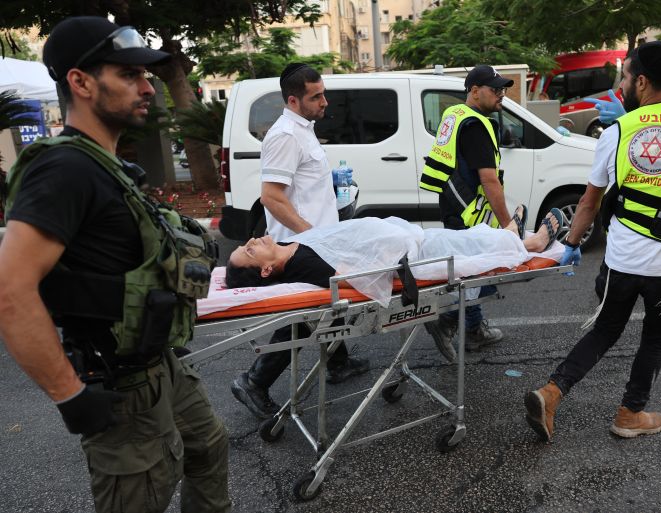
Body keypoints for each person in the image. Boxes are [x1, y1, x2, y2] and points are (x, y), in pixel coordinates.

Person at [0, 17, 230, 513]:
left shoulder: (110, 166)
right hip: (120, 384)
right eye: (128, 74)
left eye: (146, 75)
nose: (148, 86)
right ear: (80, 82)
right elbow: (11, 291)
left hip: (162, 365)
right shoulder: (63, 169)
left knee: (208, 450)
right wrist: (70, 395)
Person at [525, 41, 661, 442]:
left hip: (622, 262)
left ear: (641, 81)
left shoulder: (615, 132)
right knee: (655, 339)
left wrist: (572, 243)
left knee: (605, 330)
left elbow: (589, 202)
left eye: (625, 77)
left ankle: (552, 392)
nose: (621, 85)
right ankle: (630, 414)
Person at [230, 63, 369, 420]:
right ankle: (254, 381)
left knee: (327, 306)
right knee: (305, 317)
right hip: (300, 243)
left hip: (316, 236)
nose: (325, 101)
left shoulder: (303, 130)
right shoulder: (285, 136)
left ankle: (338, 363)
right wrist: (314, 234)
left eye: (323, 93)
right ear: (293, 99)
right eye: (316, 96)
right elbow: (271, 197)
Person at [419, 65, 522, 361]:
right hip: (470, 214)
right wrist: (508, 226)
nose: (501, 94)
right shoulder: (475, 125)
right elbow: (488, 179)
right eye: (495, 89)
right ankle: (448, 321)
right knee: (481, 270)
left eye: (503, 89)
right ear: (474, 91)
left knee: (469, 269)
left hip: (454, 206)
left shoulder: (454, 115)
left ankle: (473, 328)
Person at [224, 211, 564, 290]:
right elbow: (356, 277)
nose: (252, 242)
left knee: (460, 237)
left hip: (405, 239)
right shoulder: (305, 268)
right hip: (411, 259)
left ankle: (509, 235)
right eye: (251, 252)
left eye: (248, 243)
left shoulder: (288, 247)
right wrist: (394, 256)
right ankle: (528, 244)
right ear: (266, 271)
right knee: (462, 246)